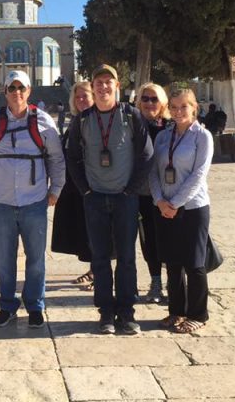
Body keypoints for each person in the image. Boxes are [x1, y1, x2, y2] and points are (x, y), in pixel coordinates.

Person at [0, 70, 65, 329]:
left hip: (34, 201)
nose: (16, 92)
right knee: (4, 259)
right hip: (1, 201)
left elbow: (56, 159)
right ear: (4, 92)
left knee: (36, 259)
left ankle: (35, 305)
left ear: (29, 91)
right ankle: (7, 305)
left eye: (21, 88)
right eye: (11, 88)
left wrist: (56, 190)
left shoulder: (43, 120)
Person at [67, 64, 152, 335]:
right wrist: (86, 190)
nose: (103, 87)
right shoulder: (83, 119)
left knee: (126, 256)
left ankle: (126, 312)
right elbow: (72, 158)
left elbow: (147, 155)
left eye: (108, 82)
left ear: (117, 86)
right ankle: (105, 312)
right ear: (92, 86)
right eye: (98, 82)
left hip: (124, 198)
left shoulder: (132, 116)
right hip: (95, 198)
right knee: (100, 257)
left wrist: (131, 190)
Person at [149, 88, 214, 333]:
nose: (178, 112)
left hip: (192, 207)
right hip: (165, 207)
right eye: (173, 107)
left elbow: (199, 175)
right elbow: (153, 172)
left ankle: (198, 314)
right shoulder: (164, 137)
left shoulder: (202, 136)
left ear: (193, 107)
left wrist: (175, 203)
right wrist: (159, 201)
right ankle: (176, 310)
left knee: (194, 262)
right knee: (173, 262)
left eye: (183, 106)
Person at [51, 82, 94, 287]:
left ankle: (99, 272)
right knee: (83, 230)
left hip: (92, 185)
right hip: (74, 185)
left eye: (86, 96)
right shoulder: (77, 121)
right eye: (78, 97)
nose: (82, 100)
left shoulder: (98, 121)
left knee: (96, 231)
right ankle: (93, 269)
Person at [136, 82, 172, 304]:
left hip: (168, 195)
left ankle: (174, 282)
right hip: (142, 193)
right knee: (149, 240)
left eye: (154, 99)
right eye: (145, 98)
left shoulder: (171, 127)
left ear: (163, 103)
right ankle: (155, 282)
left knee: (169, 239)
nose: (149, 103)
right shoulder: (133, 125)